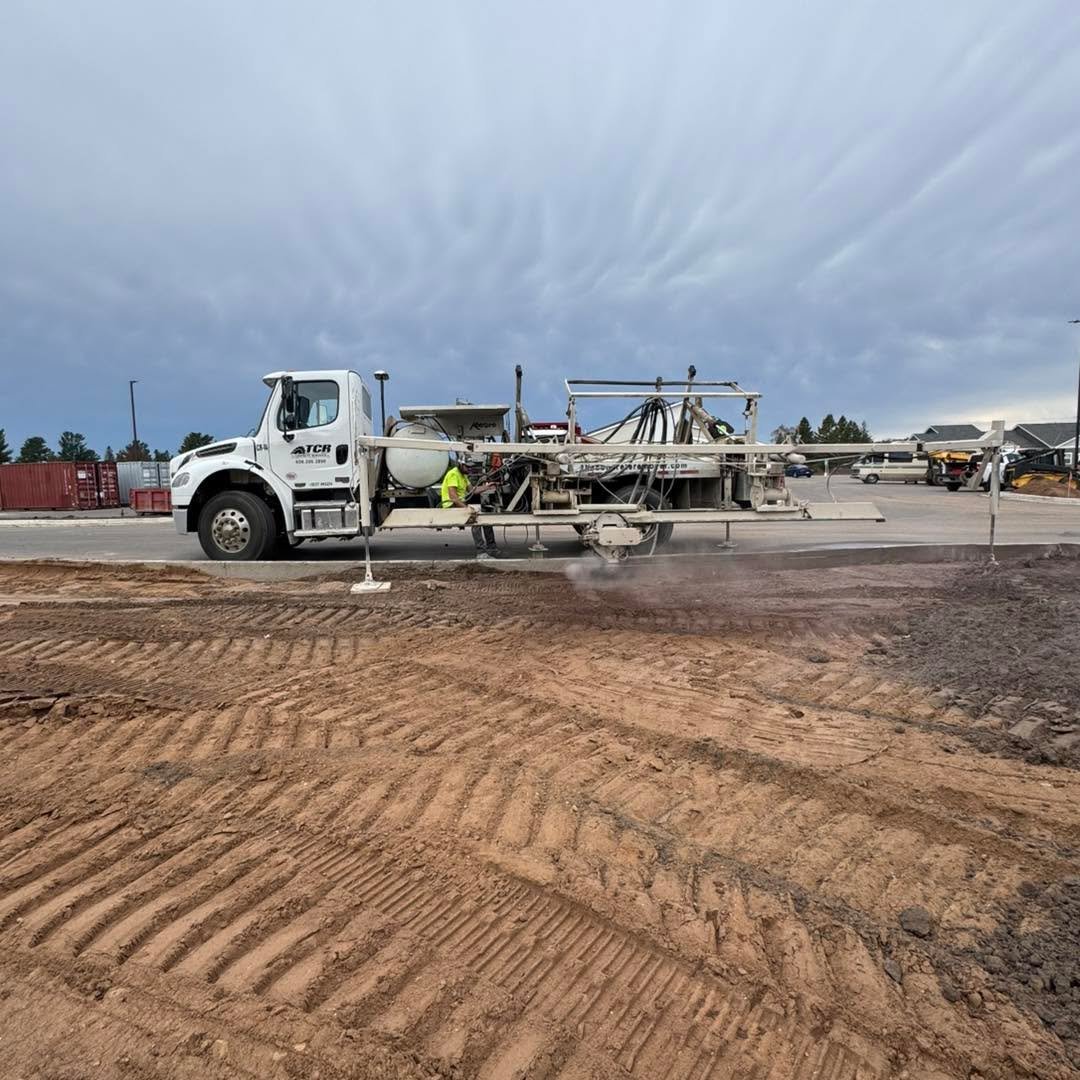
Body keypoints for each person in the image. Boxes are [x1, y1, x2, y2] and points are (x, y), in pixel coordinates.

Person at [440, 457, 499, 558]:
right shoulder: (453, 474)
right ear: (461, 465)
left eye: (470, 467)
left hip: (458, 503)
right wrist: (468, 509)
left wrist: (487, 486)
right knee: (476, 518)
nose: (469, 469)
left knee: (486, 516)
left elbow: (473, 491)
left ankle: (492, 548)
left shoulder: (463, 475)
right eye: (467, 467)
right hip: (450, 505)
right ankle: (481, 552)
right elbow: (453, 497)